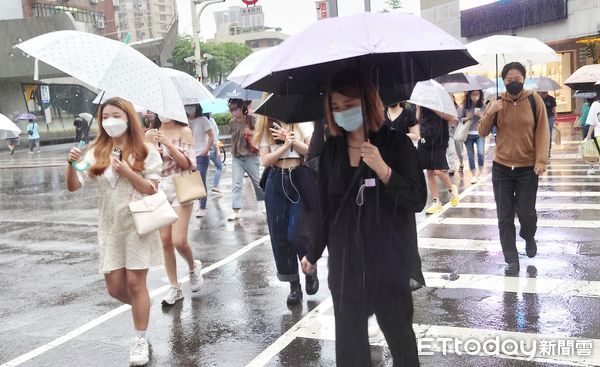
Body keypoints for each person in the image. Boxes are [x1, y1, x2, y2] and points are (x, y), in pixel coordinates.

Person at [301, 69, 427, 367]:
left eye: (350, 104)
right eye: (337, 108)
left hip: (389, 260)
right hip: (347, 263)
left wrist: (384, 170)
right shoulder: (331, 151)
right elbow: (325, 208)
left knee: (401, 342)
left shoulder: (397, 145)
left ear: (368, 102)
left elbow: (417, 199)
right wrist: (313, 252)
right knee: (350, 350)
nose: (343, 113)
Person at [65, 97, 163, 366]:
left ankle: (140, 339)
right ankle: (142, 305)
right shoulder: (97, 150)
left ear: (128, 117)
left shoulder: (145, 149)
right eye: (105, 116)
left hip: (137, 225)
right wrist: (71, 165)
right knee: (115, 288)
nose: (110, 120)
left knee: (135, 284)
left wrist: (128, 171)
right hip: (110, 227)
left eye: (116, 115)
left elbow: (152, 188)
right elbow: (74, 185)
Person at [478, 62, 549, 276]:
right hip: (501, 169)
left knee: (526, 213)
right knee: (504, 216)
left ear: (524, 80)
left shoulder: (534, 100)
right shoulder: (496, 101)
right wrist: (491, 112)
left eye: (517, 80)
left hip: (528, 169)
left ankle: (528, 235)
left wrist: (541, 161)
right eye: (509, 80)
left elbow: (543, 132)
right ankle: (511, 258)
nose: (513, 84)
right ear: (503, 81)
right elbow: (481, 131)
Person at [253, 116, 317, 306]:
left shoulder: (301, 122)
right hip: (276, 180)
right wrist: (283, 146)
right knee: (280, 235)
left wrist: (292, 141)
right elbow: (265, 160)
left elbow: (312, 151)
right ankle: (294, 285)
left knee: (297, 232)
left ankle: (309, 269)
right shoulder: (265, 124)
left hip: (299, 178)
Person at [145, 115, 204, 306]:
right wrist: (151, 146)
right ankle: (174, 287)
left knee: (179, 240)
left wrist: (168, 145)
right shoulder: (150, 134)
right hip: (160, 187)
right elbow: (144, 163)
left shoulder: (184, 131)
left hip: (181, 183)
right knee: (165, 241)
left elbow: (188, 164)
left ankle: (193, 266)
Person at [417, 105, 460, 214]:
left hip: (439, 138)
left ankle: (451, 188)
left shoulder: (439, 101)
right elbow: (417, 119)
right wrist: (418, 108)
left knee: (439, 170)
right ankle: (436, 202)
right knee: (430, 171)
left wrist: (434, 108)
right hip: (425, 137)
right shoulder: (421, 101)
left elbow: (452, 118)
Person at [227, 98, 265, 221]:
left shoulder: (251, 120)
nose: (233, 111)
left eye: (235, 109)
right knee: (236, 183)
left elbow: (260, 133)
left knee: (257, 183)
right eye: (231, 109)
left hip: (250, 156)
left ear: (241, 108)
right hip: (236, 157)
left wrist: (250, 133)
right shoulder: (231, 123)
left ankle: (264, 202)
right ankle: (235, 210)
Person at [187, 104, 214, 218]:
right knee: (191, 181)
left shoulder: (203, 120)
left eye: (192, 106)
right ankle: (195, 204)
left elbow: (211, 136)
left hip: (201, 155)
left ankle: (202, 206)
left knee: (201, 180)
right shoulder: (184, 121)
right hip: (189, 155)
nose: (189, 108)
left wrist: (206, 150)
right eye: (187, 106)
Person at [460, 90, 486, 184]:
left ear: (480, 95)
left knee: (480, 153)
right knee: (470, 155)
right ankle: (474, 175)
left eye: (477, 94)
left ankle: (481, 173)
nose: (475, 96)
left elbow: (487, 119)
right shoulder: (465, 106)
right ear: (469, 95)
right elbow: (460, 119)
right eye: (473, 94)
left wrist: (481, 115)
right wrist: (467, 117)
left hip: (479, 133)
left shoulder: (483, 106)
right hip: (467, 134)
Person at [206, 113, 223, 193]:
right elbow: (214, 137)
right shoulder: (211, 121)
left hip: (203, 150)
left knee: (203, 171)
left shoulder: (199, 121)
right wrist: (218, 151)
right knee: (219, 167)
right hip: (212, 150)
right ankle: (215, 186)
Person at [539, 91, 557, 156]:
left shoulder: (551, 99)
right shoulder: (538, 98)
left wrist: (556, 118)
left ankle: (548, 151)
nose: (544, 93)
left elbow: (554, 109)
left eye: (545, 92)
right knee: (540, 135)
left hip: (549, 118)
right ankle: (541, 150)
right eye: (542, 92)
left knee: (549, 134)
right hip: (540, 118)